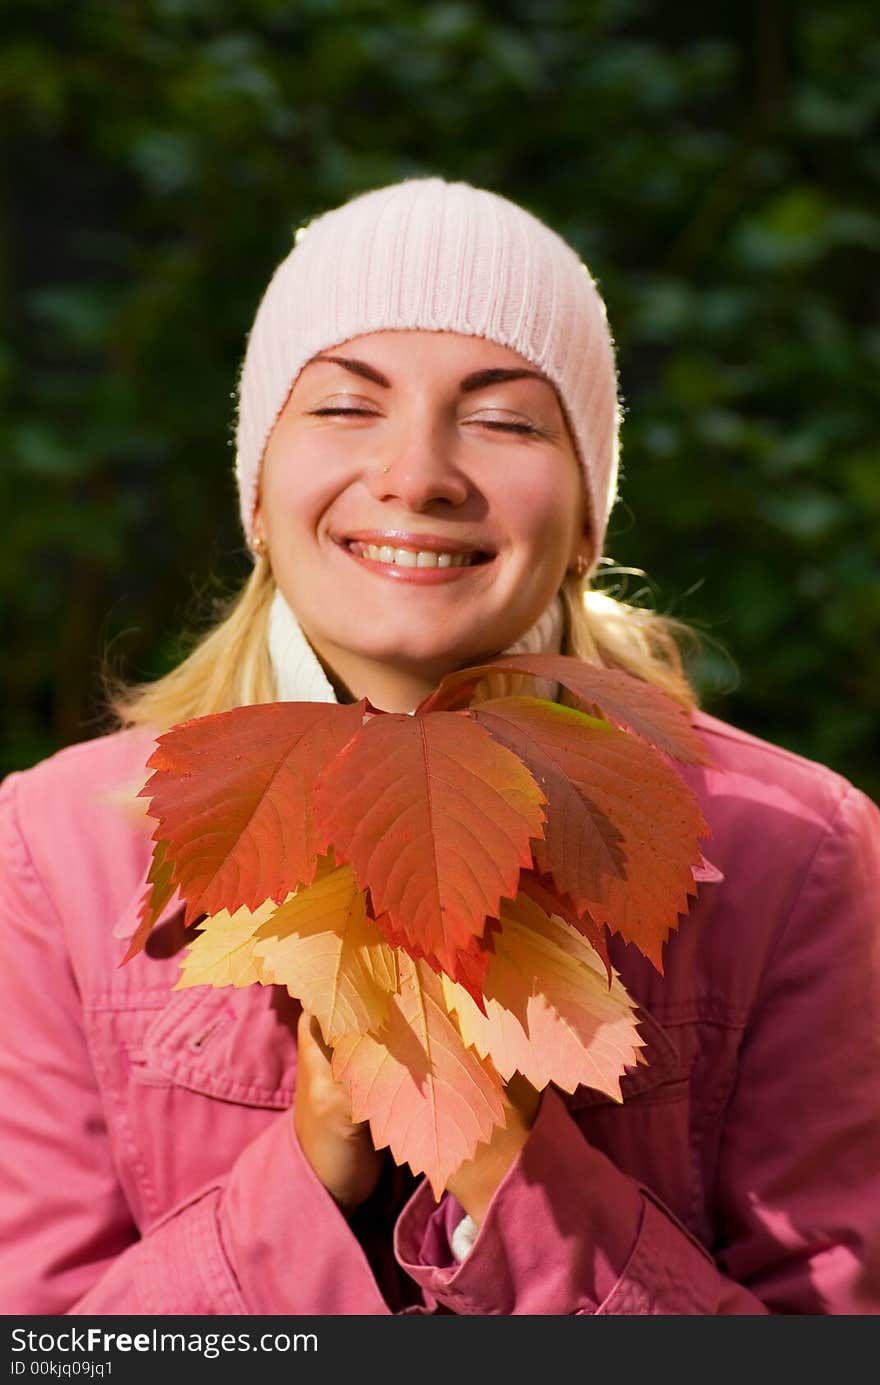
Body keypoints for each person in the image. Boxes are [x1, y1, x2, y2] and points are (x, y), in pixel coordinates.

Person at [1, 177, 878, 1317]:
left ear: (589, 515)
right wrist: (304, 1174)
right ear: (258, 493)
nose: (416, 474)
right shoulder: (53, 850)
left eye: (505, 417)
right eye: (344, 407)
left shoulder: (794, 852)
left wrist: (521, 1177)